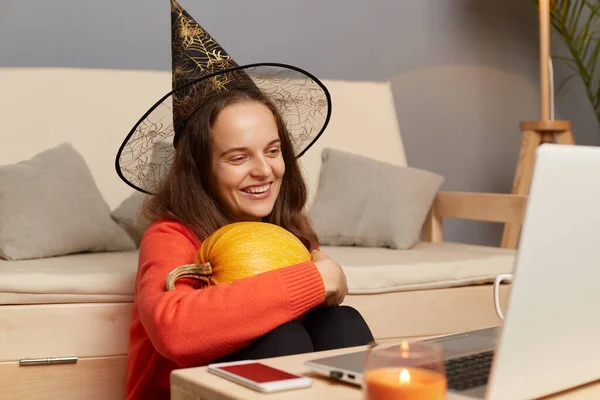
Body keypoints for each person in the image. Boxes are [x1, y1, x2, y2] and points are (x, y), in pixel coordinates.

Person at [116, 3, 374, 399]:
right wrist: (314, 279)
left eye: (272, 151)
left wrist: (321, 275)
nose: (264, 170)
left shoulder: (284, 226)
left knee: (341, 323)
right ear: (200, 169)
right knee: (280, 338)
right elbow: (174, 329)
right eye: (238, 157)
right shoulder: (170, 235)